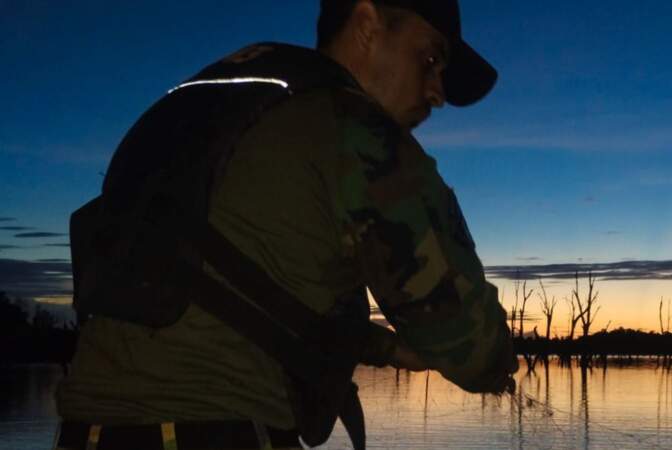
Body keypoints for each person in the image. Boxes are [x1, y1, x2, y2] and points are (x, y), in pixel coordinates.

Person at [56, 1, 517, 449]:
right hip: (216, 430)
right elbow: (474, 351)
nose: (437, 92)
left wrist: (387, 349)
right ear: (366, 25)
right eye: (430, 59)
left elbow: (233, 282)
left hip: (82, 431)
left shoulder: (213, 109)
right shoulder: (359, 132)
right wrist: (498, 362)